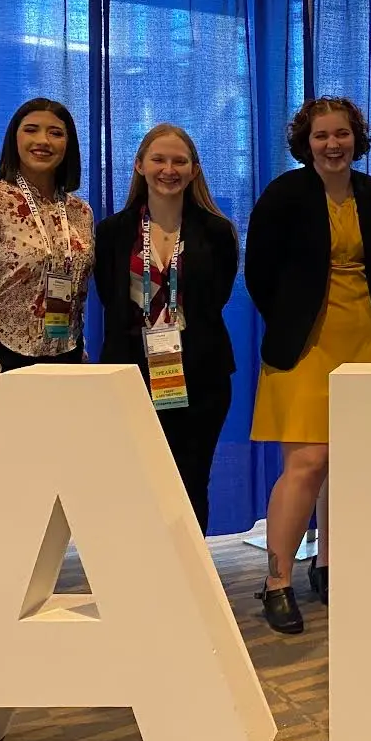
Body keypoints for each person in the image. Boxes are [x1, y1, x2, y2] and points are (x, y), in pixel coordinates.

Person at [245, 97, 371, 635]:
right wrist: (289, 320)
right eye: (321, 136)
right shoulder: (284, 194)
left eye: (342, 134)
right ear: (305, 143)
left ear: (357, 138)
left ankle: (329, 566)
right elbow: (258, 273)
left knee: (350, 463)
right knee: (308, 464)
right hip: (302, 345)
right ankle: (277, 580)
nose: (332, 144)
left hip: (366, 338)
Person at [95, 124, 239, 536]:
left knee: (191, 481)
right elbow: (111, 300)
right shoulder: (111, 233)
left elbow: (216, 299)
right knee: (137, 484)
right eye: (158, 159)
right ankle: (142, 582)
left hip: (201, 376)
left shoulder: (216, 231)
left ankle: (190, 588)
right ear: (139, 165)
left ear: (194, 170)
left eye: (180, 161)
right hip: (130, 376)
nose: (169, 169)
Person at [0, 98, 94, 435]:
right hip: (2, 360)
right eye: (31, 130)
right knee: (11, 475)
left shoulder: (79, 211)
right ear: (14, 139)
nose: (43, 140)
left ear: (68, 144)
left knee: (60, 472)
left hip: (64, 355)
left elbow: (78, 290)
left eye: (55, 133)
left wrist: (80, 353)